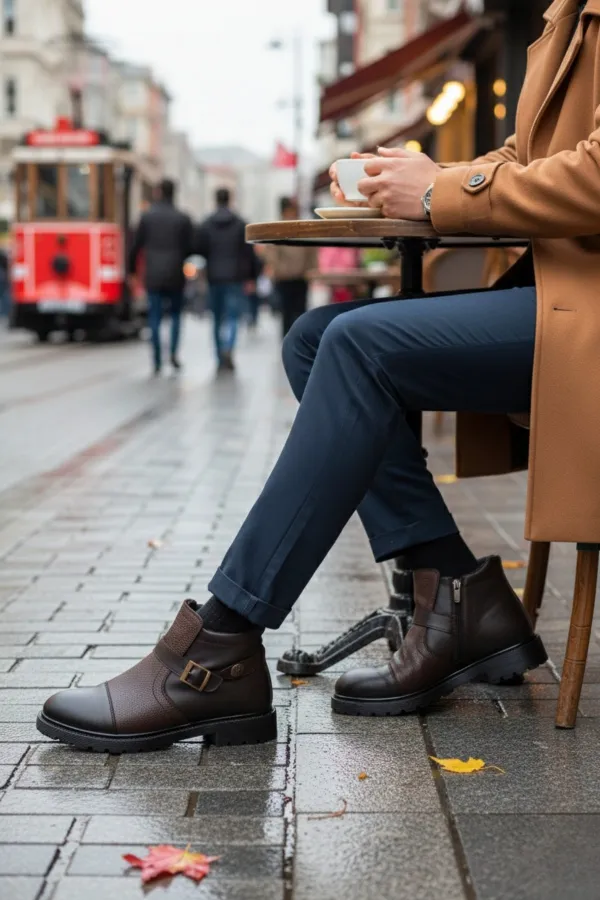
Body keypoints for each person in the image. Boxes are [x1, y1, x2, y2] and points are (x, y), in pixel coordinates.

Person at [40, 0, 600, 752]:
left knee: (359, 345)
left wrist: (437, 194)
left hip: (585, 306)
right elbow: (528, 158)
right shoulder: (567, 12)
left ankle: (220, 645)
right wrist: (428, 176)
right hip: (563, 293)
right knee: (316, 339)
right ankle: (454, 591)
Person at [128, 179, 193, 375]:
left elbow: (135, 247)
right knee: (175, 315)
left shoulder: (147, 217)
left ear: (158, 192)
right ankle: (173, 354)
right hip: (175, 273)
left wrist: (132, 271)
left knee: (154, 316)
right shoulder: (182, 218)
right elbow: (191, 247)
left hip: (153, 274)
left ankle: (156, 359)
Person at [195, 188, 260, 371]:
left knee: (216, 318)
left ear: (215, 200)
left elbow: (199, 248)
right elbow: (249, 253)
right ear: (230, 199)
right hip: (235, 277)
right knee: (232, 317)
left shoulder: (206, 224)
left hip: (214, 277)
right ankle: (229, 348)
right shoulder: (240, 224)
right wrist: (252, 276)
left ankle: (219, 355)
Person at [265, 198, 317, 337]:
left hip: (301, 277)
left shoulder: (303, 228)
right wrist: (278, 270)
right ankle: (287, 339)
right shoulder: (277, 229)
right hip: (284, 279)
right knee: (286, 313)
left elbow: (311, 251)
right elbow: (271, 254)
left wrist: (312, 270)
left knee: (301, 311)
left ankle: (299, 338)